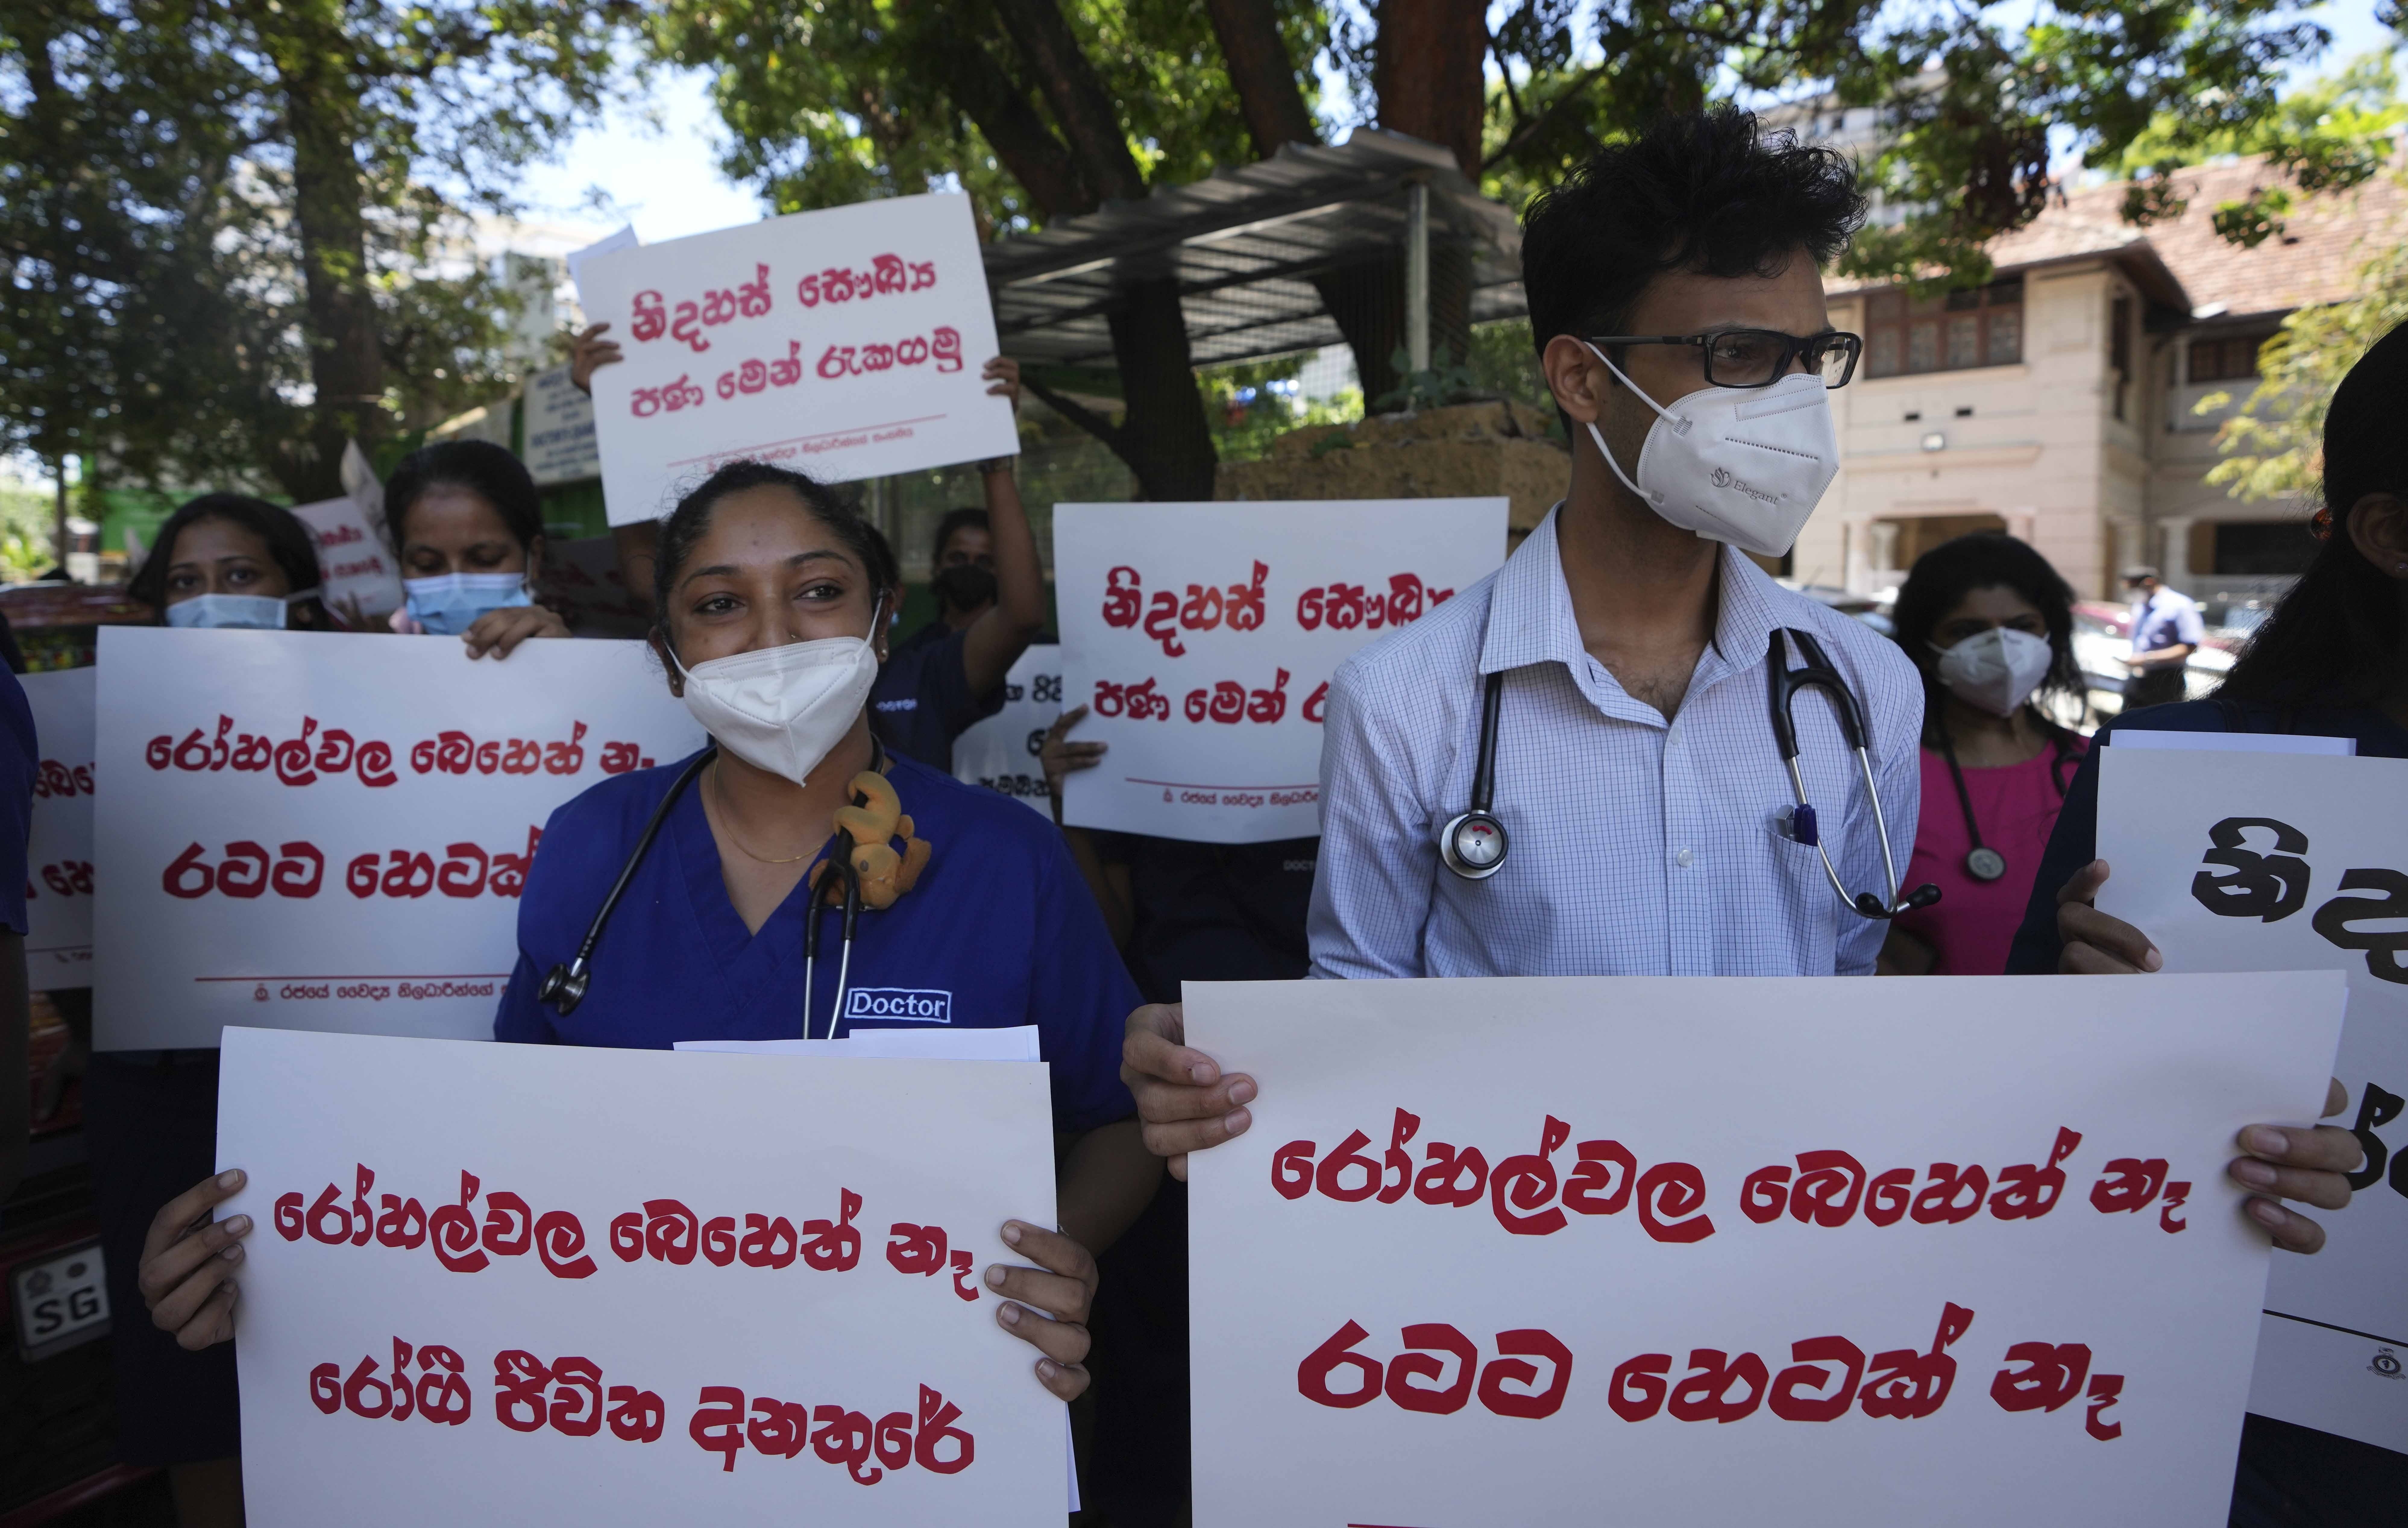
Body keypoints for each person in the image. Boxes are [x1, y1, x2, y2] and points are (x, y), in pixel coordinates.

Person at [137, 460, 1158, 1404]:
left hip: (911, 1413)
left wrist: (1051, 1259)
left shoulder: (1005, 859)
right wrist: (282, 1270)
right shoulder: (594, 845)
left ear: (884, 622)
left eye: (818, 591)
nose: (772, 635)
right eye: (719, 605)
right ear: (670, 660)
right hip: (640, 1413)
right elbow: (505, 1144)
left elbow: (1122, 1119)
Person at [2011, 321, 2408, 1523]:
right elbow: (2013, 1137)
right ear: (2387, 536)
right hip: (2256, 1436)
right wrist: (2081, 1043)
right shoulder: (2176, 782)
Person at [96, 492, 349, 1528]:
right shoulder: (107, 731)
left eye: (241, 577)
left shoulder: (393, 719)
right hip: (160, 1096)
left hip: (329, 1090)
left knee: (346, 1351)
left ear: (299, 590)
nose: (212, 603)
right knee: (192, 1372)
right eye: (186, 586)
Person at [1880, 533, 2088, 976]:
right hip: (1926, 1031)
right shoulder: (1882, 773)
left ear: (2051, 632)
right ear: (1924, 649)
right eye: (1966, 631)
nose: (2002, 649)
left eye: (2021, 626)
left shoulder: (2093, 767)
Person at [867, 360, 1046, 772]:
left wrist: (996, 460)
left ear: (891, 601)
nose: (970, 569)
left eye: (833, 590)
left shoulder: (925, 671)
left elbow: (1022, 614)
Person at [382, 439, 571, 656]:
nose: (457, 592)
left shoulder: (570, 649)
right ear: (401, 564)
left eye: (486, 559)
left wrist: (560, 660)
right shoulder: (381, 662)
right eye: (428, 565)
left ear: (534, 556)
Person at [2119, 564, 2203, 711]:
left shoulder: (2180, 605)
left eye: (2133, 588)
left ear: (2149, 583)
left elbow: (2190, 647)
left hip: (2165, 682)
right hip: (2137, 679)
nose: (2132, 593)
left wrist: (2147, 658)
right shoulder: (2141, 605)